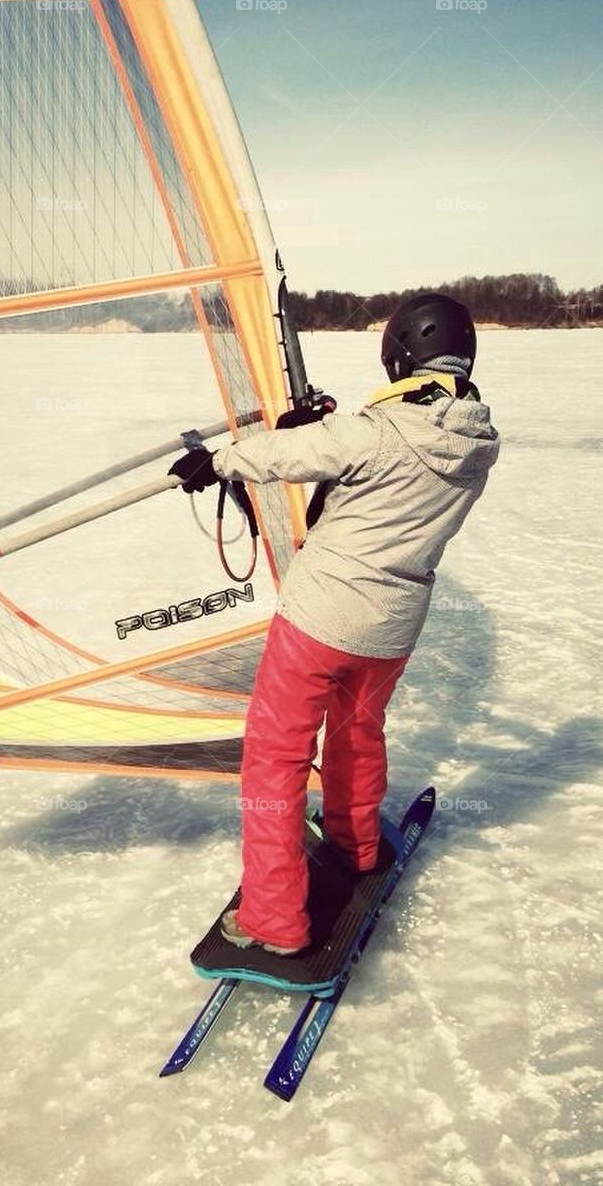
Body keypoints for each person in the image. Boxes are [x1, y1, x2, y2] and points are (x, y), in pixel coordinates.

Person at [169, 292, 500, 955]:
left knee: (275, 760)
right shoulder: (476, 442)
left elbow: (294, 458)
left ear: (398, 355)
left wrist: (218, 462)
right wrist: (304, 426)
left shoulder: (373, 432)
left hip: (319, 622)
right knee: (356, 730)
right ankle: (354, 841)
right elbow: (347, 453)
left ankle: (273, 921)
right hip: (392, 630)